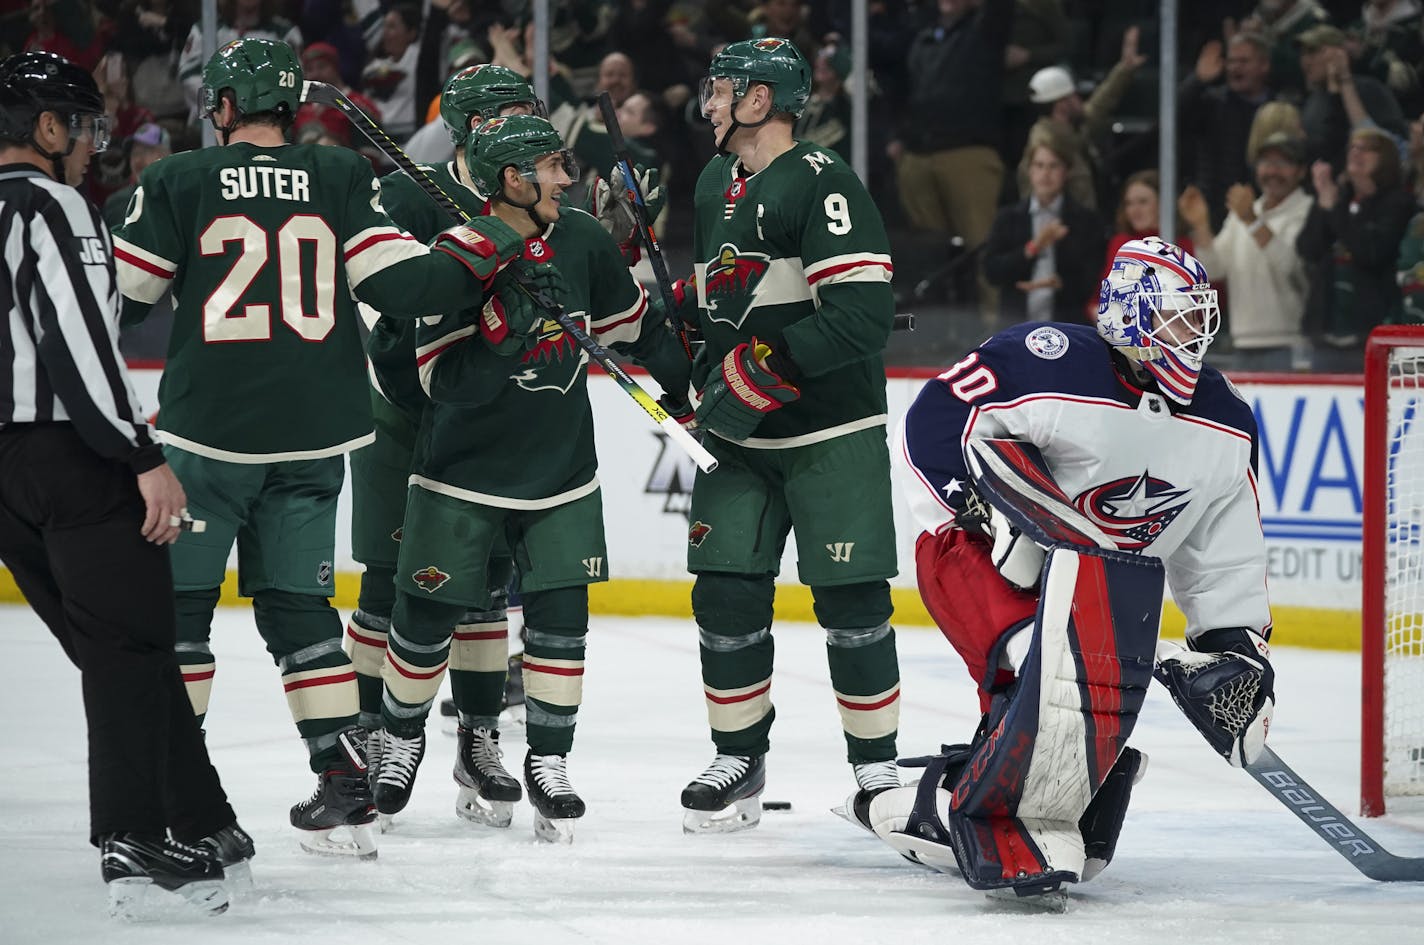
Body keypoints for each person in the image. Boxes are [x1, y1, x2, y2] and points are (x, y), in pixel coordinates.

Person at [111, 36, 529, 860]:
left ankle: (173, 786)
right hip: (316, 435)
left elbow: (123, 295)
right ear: (291, 107)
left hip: (207, 436)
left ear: (224, 106)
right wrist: (495, 234)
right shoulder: (339, 176)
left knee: (182, 617)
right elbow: (409, 288)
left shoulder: (176, 178)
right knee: (301, 610)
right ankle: (341, 774)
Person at [877, 236, 1275, 900]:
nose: (1194, 332)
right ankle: (1007, 785)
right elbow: (933, 418)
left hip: (1102, 595)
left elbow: (1224, 549)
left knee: (1048, 691)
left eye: (1199, 315)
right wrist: (974, 508)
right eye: (1178, 314)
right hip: (983, 561)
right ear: (1131, 312)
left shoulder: (1224, 418)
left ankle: (1010, 788)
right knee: (1038, 661)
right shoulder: (1045, 360)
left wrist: (1234, 644)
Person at [362, 112, 691, 843]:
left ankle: (550, 760)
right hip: (462, 470)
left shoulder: (580, 239)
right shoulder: (459, 250)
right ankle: (401, 738)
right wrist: (501, 336)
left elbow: (636, 328)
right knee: (423, 615)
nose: (569, 179)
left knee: (560, 620)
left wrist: (686, 390)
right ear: (514, 178)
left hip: (562, 468)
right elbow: (436, 379)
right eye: (554, 167)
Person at [0, 50, 248, 917]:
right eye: (81, 124)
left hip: (8, 477)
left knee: (111, 649)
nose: (90, 144)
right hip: (76, 456)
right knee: (135, 648)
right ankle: (137, 841)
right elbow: (79, 344)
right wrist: (140, 455)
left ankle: (205, 819)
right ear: (47, 126)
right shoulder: (55, 205)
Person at [678, 37, 903, 835]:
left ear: (760, 101)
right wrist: (694, 353)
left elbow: (862, 317)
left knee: (852, 602)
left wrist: (759, 365)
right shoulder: (713, 181)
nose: (708, 102)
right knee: (725, 593)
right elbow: (724, 297)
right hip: (742, 440)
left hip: (828, 429)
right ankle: (738, 755)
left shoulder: (825, 181)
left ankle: (877, 771)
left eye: (722, 89)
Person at [1180, 132, 1313, 371]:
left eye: (1283, 163)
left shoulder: (1307, 211)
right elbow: (1214, 270)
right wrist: (1200, 225)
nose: (1272, 171)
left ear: (1302, 171)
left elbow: (1291, 268)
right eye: (1266, 163)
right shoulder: (1244, 212)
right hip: (1242, 342)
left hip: (1290, 343)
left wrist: (1251, 220)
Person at [1297, 125, 1416, 370]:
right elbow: (1308, 249)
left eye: (1369, 149)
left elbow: (1371, 251)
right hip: (1325, 336)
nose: (1357, 152)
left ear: (1388, 161)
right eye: (1354, 146)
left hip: (1370, 339)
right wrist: (1323, 203)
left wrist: (1334, 209)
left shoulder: (1398, 204)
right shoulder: (1337, 199)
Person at [1017, 25, 1147, 213]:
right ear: (1062, 105)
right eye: (1074, 96)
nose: (1080, 100)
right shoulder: (1046, 145)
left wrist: (1125, 69)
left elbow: (1099, 105)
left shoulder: (1068, 130)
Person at [983, 136, 1105, 324]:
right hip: (1015, 324)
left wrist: (1060, 284)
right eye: (1039, 166)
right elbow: (992, 271)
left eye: (1053, 166)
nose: (1045, 173)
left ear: (1066, 171)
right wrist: (1034, 246)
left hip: (1067, 323)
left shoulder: (1085, 220)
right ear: (1029, 171)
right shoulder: (1009, 218)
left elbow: (1091, 277)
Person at [1180, 31, 1275, 229]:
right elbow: (1173, 118)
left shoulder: (1278, 106)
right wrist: (1197, 80)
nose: (1235, 68)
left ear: (1264, 65)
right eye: (1231, 61)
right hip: (1215, 210)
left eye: (1243, 61)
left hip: (1265, 209)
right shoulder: (1211, 102)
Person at [1102, 170, 1193, 282]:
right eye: (1129, 203)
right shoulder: (1121, 244)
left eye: (1143, 202)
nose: (1134, 211)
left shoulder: (1182, 244)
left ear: (1162, 203)